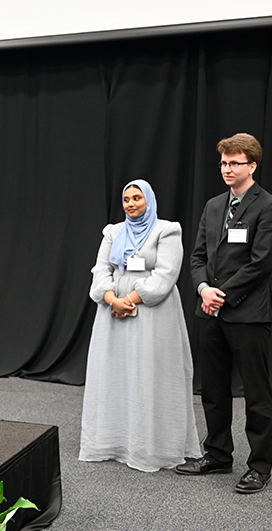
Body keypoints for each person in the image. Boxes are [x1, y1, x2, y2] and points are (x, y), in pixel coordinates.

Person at [176, 133, 272, 494]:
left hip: (247, 313)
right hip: (209, 311)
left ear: (252, 165)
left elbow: (261, 264)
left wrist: (222, 295)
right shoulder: (212, 206)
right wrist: (204, 289)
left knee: (256, 393)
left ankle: (259, 467)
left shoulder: (268, 206)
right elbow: (198, 258)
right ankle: (218, 454)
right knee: (213, 390)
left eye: (235, 163)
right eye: (223, 162)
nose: (227, 168)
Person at [79, 179, 202, 472]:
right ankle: (113, 442)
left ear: (148, 200)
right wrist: (111, 298)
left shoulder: (167, 230)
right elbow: (101, 268)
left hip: (152, 315)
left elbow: (166, 275)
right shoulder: (113, 231)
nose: (131, 204)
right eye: (126, 199)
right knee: (115, 374)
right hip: (113, 314)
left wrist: (130, 299)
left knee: (149, 375)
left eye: (137, 198)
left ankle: (150, 448)